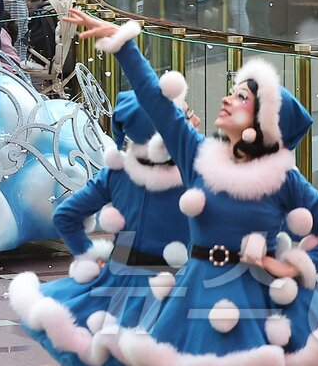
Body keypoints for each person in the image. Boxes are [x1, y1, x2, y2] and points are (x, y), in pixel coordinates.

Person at [63, 9, 318, 366]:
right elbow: (155, 100)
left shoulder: (283, 179)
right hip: (195, 295)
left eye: (241, 98)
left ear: (263, 123)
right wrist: (124, 45)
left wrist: (293, 266)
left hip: (256, 302)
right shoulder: (197, 154)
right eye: (232, 92)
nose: (227, 99)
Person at [10, 85, 196, 366]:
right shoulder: (195, 173)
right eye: (184, 116)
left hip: (116, 284)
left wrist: (88, 256)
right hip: (175, 288)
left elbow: (66, 216)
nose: (194, 122)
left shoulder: (117, 174)